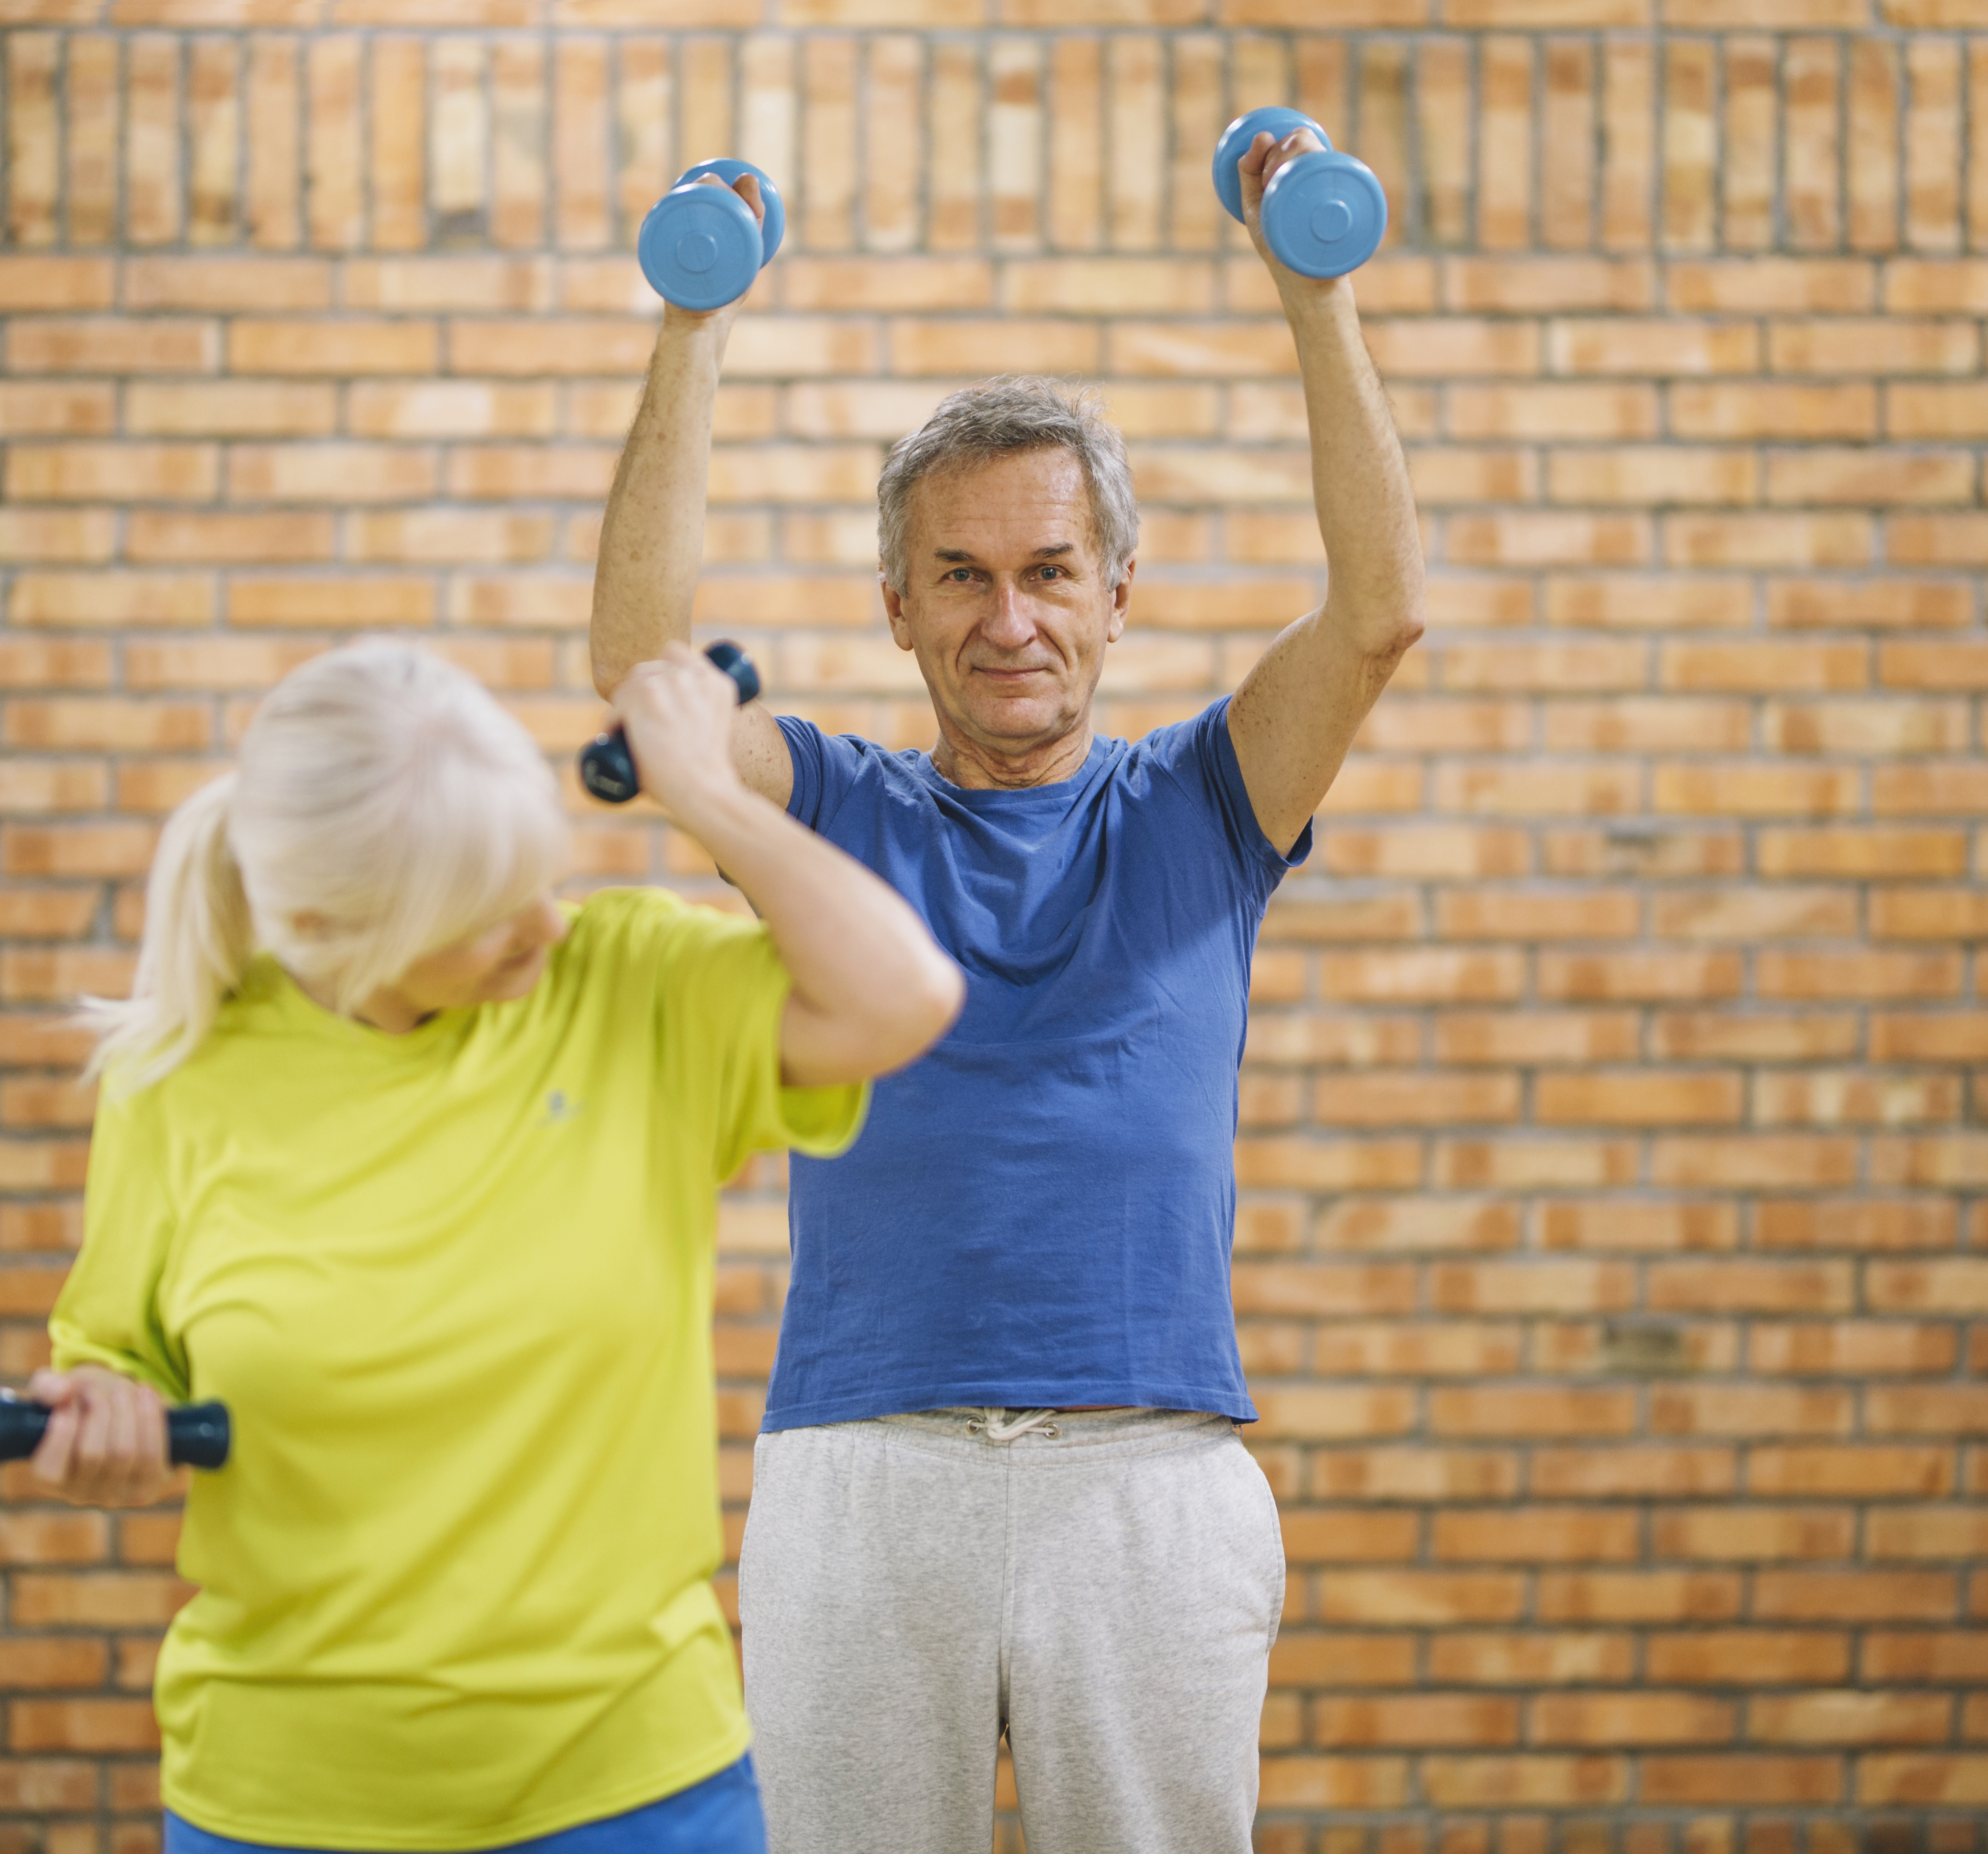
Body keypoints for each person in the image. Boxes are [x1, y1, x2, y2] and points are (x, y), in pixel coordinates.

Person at [589, 131, 1424, 1854]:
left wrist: (1311, 292)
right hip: (859, 1465)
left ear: (1118, 593)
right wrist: (692, 328)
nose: (1007, 617)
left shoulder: (1208, 803)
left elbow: (1377, 615)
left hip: (1147, 1476)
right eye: (958, 576)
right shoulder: (826, 808)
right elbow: (641, 678)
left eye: (1047, 571)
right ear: (894, 606)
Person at [20, 638, 962, 1854]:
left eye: (539, 876)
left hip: (634, 1790)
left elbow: (905, 996)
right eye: (482, 916)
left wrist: (708, 791)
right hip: (285, 1801)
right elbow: (114, 1355)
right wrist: (103, 1415)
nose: (543, 927)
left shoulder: (626, 987)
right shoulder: (179, 1082)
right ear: (326, 926)